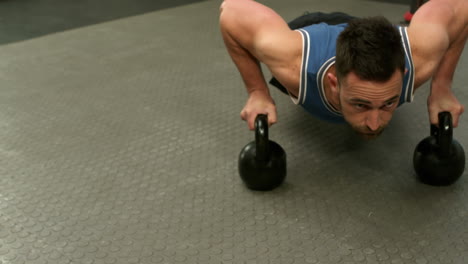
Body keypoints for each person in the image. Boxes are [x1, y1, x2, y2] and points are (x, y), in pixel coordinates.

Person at [219, 0, 466, 139]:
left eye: (388, 104)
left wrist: (441, 87)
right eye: (361, 104)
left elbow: (460, 7)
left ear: (403, 77)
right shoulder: (295, 63)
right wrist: (257, 92)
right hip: (310, 28)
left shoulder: (420, 56)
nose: (373, 123)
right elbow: (231, 11)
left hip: (371, 33)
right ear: (334, 82)